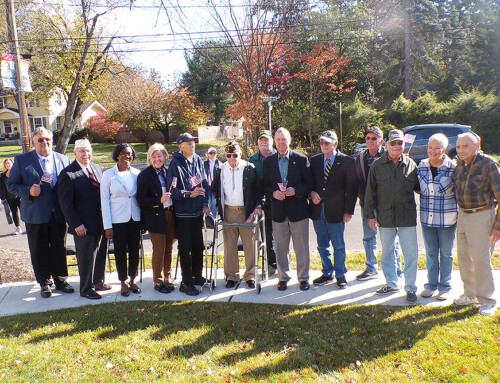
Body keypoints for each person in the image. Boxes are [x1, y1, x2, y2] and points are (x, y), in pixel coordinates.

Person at [7, 127, 73, 298]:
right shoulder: (22, 161)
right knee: (39, 249)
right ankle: (44, 282)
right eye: (40, 140)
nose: (45, 143)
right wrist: (28, 190)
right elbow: (11, 185)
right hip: (35, 213)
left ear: (53, 140)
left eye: (48, 139)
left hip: (58, 214)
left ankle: (61, 280)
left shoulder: (63, 160)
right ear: (34, 142)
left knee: (59, 247)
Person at [364, 129, 420, 304]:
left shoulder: (411, 165)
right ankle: (392, 283)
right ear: (386, 145)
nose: (397, 146)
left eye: (400, 143)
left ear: (403, 145)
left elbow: (421, 188)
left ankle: (410, 288)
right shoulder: (376, 166)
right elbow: (370, 193)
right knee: (387, 252)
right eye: (393, 143)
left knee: (411, 254)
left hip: (407, 216)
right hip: (385, 217)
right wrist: (370, 216)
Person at [452, 132, 500, 316]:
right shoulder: (460, 165)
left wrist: (497, 226)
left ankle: (487, 300)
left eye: (466, 146)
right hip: (463, 215)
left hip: (482, 215)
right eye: (458, 146)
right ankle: (470, 294)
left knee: (481, 259)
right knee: (464, 257)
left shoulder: (488, 164)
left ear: (477, 145)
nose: (461, 150)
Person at [262, 127, 313, 291]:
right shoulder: (269, 162)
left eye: (284, 139)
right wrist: (273, 193)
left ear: (289, 140)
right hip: (278, 211)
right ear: (275, 143)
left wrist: (295, 190)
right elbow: (265, 186)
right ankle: (283, 277)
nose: (281, 143)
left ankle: (303, 278)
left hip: (298, 211)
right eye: (278, 140)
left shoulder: (301, 159)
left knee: (301, 248)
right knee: (281, 248)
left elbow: (309, 184)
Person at [58, 139, 110, 300]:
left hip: (101, 221)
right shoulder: (68, 174)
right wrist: (76, 225)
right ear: (74, 153)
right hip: (83, 225)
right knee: (87, 257)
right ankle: (86, 288)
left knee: (101, 253)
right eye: (82, 151)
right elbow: (66, 205)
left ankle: (98, 281)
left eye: (88, 151)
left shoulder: (96, 168)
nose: (85, 154)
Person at [309, 131, 358, 289]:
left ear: (335, 144)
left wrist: (348, 211)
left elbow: (352, 189)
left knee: (338, 245)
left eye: (327, 143)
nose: (324, 145)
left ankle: (340, 274)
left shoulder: (347, 161)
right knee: (322, 244)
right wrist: (312, 194)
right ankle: (327, 272)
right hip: (318, 210)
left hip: (337, 210)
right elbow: (309, 182)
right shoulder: (315, 160)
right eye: (322, 142)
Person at [211, 140, 263, 288]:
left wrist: (257, 207)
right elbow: (214, 188)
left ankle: (251, 275)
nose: (232, 158)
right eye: (228, 155)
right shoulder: (220, 170)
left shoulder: (249, 168)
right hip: (229, 211)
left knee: (250, 245)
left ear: (240, 154)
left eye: (235, 155)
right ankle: (231, 276)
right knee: (229, 245)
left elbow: (258, 190)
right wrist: (219, 204)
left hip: (246, 211)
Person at [354, 126, 402, 281]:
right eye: (367, 138)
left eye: (374, 138)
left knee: (391, 239)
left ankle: (397, 269)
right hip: (367, 205)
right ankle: (371, 268)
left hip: (386, 205)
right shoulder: (361, 157)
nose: (370, 141)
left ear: (382, 141)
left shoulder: (389, 156)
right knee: (368, 238)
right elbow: (358, 182)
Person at [167, 133, 210, 296]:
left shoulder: (198, 160)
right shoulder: (175, 164)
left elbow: (203, 182)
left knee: (198, 245)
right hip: (184, 214)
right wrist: (189, 194)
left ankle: (196, 276)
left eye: (193, 143)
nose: (193, 145)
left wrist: (205, 204)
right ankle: (186, 282)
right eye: (189, 143)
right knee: (185, 248)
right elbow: (172, 191)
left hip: (198, 212)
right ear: (180, 146)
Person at [417, 133, 457, 301]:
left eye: (437, 148)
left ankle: (445, 287)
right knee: (431, 253)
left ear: (444, 149)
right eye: (430, 147)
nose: (433, 151)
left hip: (447, 218)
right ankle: (431, 285)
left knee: (446, 253)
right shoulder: (421, 166)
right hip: (427, 218)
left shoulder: (453, 168)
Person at [101, 143, 141, 297]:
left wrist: (142, 221)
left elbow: (139, 198)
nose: (127, 156)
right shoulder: (108, 175)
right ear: (117, 155)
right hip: (117, 220)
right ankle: (123, 282)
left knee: (134, 251)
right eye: (123, 153)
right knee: (120, 252)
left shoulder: (137, 174)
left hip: (134, 218)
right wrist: (107, 226)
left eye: (129, 154)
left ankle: (132, 279)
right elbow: (104, 201)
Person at [137, 143, 176, 294]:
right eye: (153, 157)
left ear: (165, 156)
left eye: (159, 156)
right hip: (155, 216)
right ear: (149, 159)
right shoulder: (145, 175)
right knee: (159, 249)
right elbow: (141, 200)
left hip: (171, 214)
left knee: (169, 248)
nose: (156, 159)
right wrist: (158, 201)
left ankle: (167, 278)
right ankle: (158, 281)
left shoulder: (169, 172)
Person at [248, 130, 278, 275]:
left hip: (278, 202)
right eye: (261, 141)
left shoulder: (279, 156)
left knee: (281, 234)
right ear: (258, 143)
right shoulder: (252, 160)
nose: (264, 143)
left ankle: (283, 262)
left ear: (272, 142)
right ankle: (270, 264)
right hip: (260, 205)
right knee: (266, 236)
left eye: (267, 140)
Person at [0, 158, 22, 234]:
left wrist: (23, 194)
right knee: (14, 212)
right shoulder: (2, 175)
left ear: (12, 164)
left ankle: (30, 227)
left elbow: (21, 183)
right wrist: (2, 198)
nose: (8, 165)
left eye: (9, 163)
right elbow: (2, 187)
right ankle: (18, 228)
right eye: (6, 163)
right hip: (9, 197)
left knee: (24, 211)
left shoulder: (17, 172)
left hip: (19, 196)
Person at [204, 146, 220, 218]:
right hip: (207, 186)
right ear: (208, 154)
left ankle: (214, 219)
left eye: (214, 153)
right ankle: (212, 218)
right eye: (211, 153)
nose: (213, 154)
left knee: (214, 203)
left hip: (215, 186)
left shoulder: (219, 164)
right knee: (209, 203)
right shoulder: (204, 164)